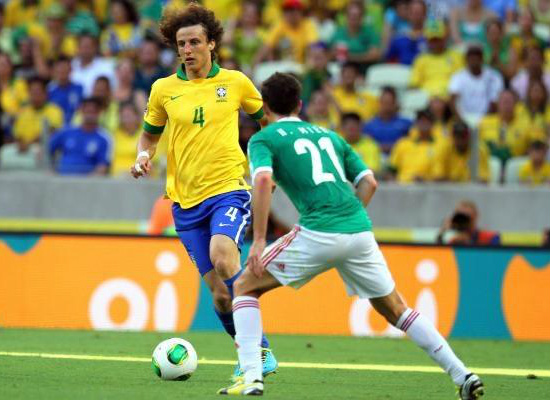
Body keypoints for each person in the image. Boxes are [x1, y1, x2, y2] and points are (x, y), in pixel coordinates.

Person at [218, 72, 484, 399]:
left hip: (318, 230)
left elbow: (261, 182)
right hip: (358, 230)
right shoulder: (331, 136)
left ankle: (251, 377)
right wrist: (348, 218)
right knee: (396, 309)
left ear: (264, 105)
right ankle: (463, 374)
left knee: (244, 286)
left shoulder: (265, 138)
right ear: (299, 104)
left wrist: (258, 240)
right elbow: (369, 182)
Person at [130, 3, 277, 379]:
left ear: (212, 43)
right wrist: (143, 157)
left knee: (224, 256)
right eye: (181, 43)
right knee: (221, 294)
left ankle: (252, 359)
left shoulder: (236, 82)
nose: (188, 50)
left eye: (195, 41)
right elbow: (149, 134)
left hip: (228, 189)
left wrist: (267, 166)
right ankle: (260, 350)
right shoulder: (163, 89)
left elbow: (268, 124)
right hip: (184, 202)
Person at [48, 97, 111, 175]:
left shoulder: (103, 139)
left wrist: (86, 183)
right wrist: (51, 172)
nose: (90, 115)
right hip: (61, 179)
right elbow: (46, 150)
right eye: (87, 111)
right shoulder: (67, 132)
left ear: (99, 113)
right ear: (81, 111)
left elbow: (102, 166)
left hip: (87, 183)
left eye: (93, 112)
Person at [448, 43, 503, 120]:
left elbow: (495, 101)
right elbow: (452, 100)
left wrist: (484, 121)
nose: (474, 58)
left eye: (477, 55)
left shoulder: (493, 76)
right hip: (464, 119)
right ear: (466, 59)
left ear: (482, 58)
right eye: (470, 56)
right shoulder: (458, 77)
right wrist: (461, 120)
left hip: (488, 119)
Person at [410, 20, 463, 97]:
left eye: (438, 39)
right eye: (432, 40)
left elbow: (463, 81)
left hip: (450, 98)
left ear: (445, 38)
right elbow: (414, 84)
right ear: (427, 40)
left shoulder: (456, 56)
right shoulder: (421, 59)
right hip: (426, 99)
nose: (435, 43)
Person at [389, 110, 438, 183]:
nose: (424, 123)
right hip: (402, 187)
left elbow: (439, 176)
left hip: (427, 189)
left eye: (427, 120)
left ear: (432, 124)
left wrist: (425, 180)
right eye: (421, 120)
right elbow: (392, 170)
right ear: (417, 123)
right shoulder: (403, 143)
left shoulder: (440, 146)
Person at [363, 86, 412, 154]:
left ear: (395, 103)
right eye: (384, 102)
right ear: (379, 102)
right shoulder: (369, 125)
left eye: (389, 102)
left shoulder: (406, 124)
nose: (386, 106)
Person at [385, 0, 427, 66]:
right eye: (413, 13)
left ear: (425, 15)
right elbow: (389, 60)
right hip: (403, 74)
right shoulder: (399, 38)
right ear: (408, 14)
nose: (416, 16)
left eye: (419, 13)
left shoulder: (433, 39)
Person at [48, 56, 84, 125]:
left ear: (70, 70)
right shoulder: (50, 91)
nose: (62, 72)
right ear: (55, 71)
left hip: (75, 127)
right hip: (56, 127)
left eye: (65, 69)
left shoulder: (79, 88)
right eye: (60, 70)